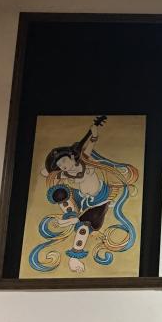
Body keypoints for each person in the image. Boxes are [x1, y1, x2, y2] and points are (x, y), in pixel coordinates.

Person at [29, 116, 139, 274]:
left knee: (84, 226)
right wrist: (49, 171)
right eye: (59, 165)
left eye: (63, 161)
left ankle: (74, 257)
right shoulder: (65, 173)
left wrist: (94, 135)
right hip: (81, 199)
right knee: (59, 192)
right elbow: (48, 174)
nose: (63, 166)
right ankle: (70, 216)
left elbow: (90, 145)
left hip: (99, 200)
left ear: (72, 156)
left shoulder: (85, 161)